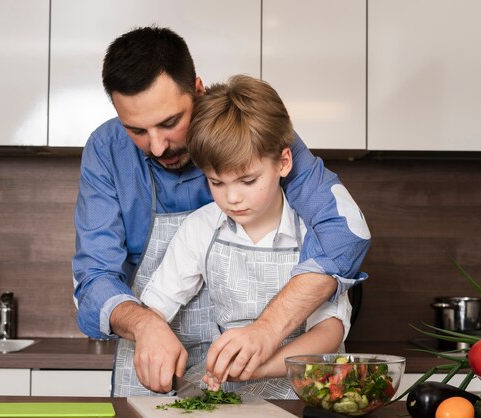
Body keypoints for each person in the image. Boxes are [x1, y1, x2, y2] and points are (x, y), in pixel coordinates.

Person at [72, 26, 371, 397]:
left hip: (263, 373)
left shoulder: (252, 131)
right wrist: (145, 324)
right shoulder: (106, 150)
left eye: (169, 123)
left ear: (197, 91)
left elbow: (345, 232)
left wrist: (265, 333)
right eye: (137, 130)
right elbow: (94, 279)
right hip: (162, 363)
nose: (158, 146)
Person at [140, 75, 352, 399]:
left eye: (247, 180)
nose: (232, 198)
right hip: (230, 400)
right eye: (217, 182)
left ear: (283, 162)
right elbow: (155, 306)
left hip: (306, 397)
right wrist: (151, 336)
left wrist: (261, 366)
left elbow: (330, 331)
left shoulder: (314, 229)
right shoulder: (200, 228)